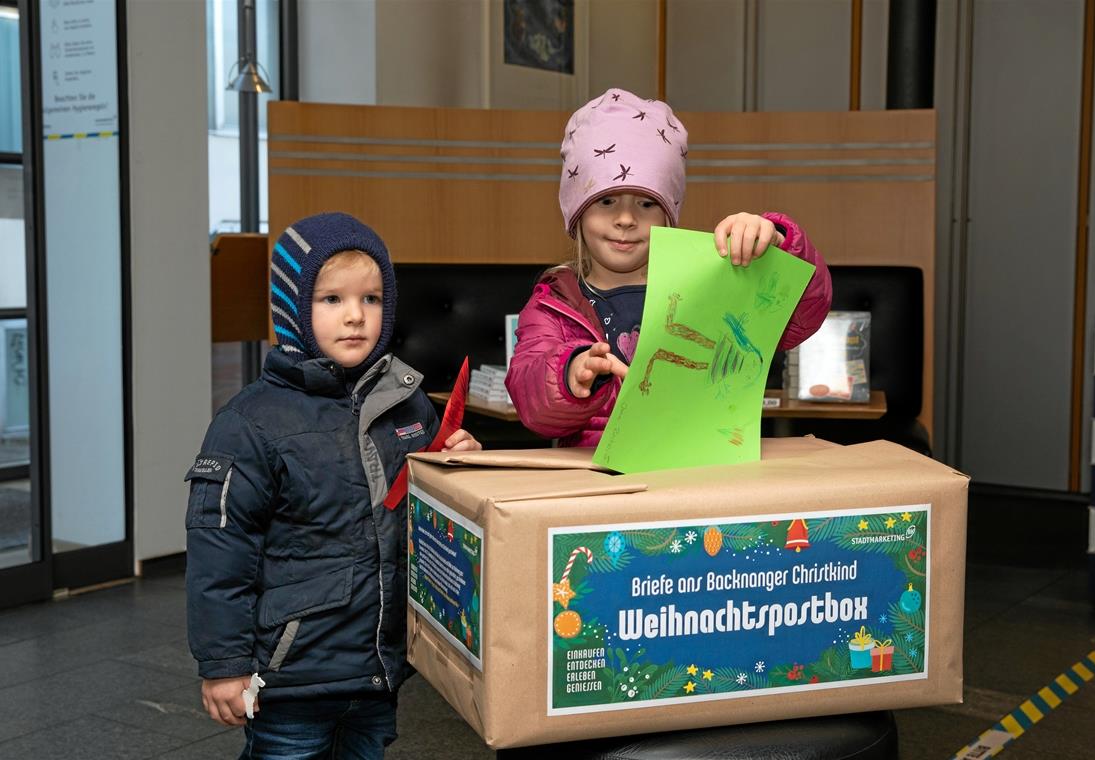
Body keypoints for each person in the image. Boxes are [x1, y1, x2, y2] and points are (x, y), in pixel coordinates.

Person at [184, 212, 480, 759]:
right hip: (293, 677)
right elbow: (219, 549)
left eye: (370, 299)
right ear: (293, 309)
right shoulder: (252, 422)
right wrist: (224, 665)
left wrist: (459, 464)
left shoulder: (405, 401)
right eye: (332, 300)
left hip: (376, 671)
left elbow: (429, 503)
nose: (355, 317)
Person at [505, 88, 832, 447]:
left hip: (700, 470)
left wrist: (777, 249)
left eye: (646, 203)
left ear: (667, 214)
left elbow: (801, 318)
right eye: (607, 201)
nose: (626, 219)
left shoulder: (707, 280)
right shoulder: (555, 303)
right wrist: (570, 373)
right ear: (577, 213)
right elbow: (530, 399)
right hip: (595, 483)